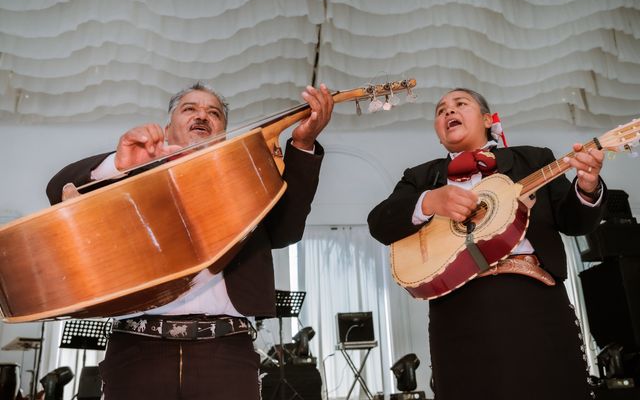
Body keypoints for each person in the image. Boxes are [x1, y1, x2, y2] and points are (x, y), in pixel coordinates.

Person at [46, 82, 334, 399]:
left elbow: (285, 231)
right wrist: (118, 165)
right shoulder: (132, 173)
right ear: (168, 129)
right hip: (137, 353)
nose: (202, 116)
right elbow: (58, 189)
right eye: (190, 109)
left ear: (223, 132)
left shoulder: (249, 181)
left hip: (227, 353)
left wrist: (303, 144)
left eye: (214, 113)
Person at [367, 88, 607, 400]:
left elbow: (575, 222)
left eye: (460, 104)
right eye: (440, 111)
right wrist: (429, 201)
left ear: (486, 119)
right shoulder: (421, 177)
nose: (448, 112)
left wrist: (587, 187)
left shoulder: (534, 159)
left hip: (533, 299)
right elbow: (379, 224)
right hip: (455, 308)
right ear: (439, 134)